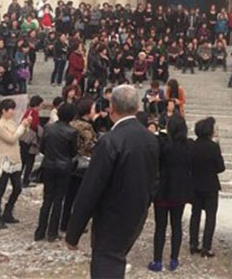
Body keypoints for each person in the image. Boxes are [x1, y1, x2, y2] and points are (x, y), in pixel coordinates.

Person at [65, 85, 160, 279]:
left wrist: (73, 232)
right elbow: (154, 179)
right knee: (116, 260)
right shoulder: (150, 139)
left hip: (111, 217)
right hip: (136, 215)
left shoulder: (110, 140)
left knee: (106, 266)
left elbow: (91, 188)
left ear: (112, 107)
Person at [148, 115, 193, 272]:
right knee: (176, 225)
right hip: (180, 190)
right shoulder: (188, 146)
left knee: (160, 227)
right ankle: (174, 259)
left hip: (162, 189)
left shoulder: (163, 145)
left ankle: (157, 260)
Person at [34, 103, 78, 242]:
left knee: (47, 199)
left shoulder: (48, 129)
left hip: (48, 165)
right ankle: (52, 232)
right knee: (59, 200)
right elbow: (73, 152)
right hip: (64, 167)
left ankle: (40, 231)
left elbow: (42, 148)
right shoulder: (72, 132)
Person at [0, 99, 31, 229]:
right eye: (10, 109)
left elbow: (19, 135)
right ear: (3, 110)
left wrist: (25, 125)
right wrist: (22, 127)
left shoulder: (12, 122)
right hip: (5, 159)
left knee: (17, 187)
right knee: (1, 189)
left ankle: (7, 212)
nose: (13, 112)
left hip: (15, 158)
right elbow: (11, 138)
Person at [189, 117, 225, 258]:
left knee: (195, 214)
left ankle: (193, 243)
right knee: (210, 217)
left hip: (195, 183)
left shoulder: (192, 145)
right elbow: (220, 167)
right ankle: (206, 246)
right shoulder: (213, 146)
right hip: (210, 184)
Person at [61, 98, 97, 233]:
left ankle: (64, 222)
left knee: (69, 196)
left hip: (70, 162)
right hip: (82, 163)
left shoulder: (72, 123)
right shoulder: (85, 127)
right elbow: (90, 144)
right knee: (79, 197)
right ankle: (74, 224)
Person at [20, 95, 43, 188]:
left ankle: (19, 179)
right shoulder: (34, 112)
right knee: (29, 161)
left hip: (24, 139)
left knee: (23, 161)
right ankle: (26, 180)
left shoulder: (28, 111)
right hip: (30, 140)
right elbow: (34, 125)